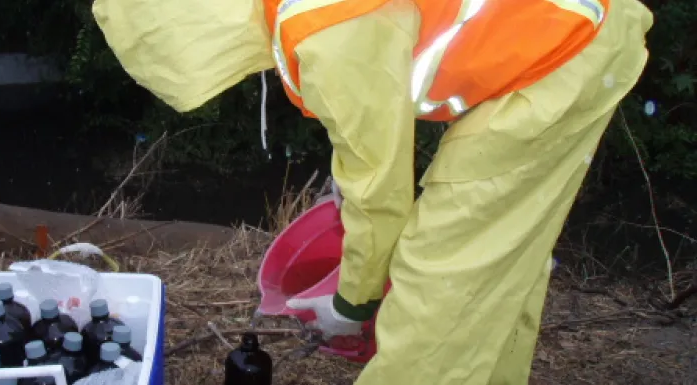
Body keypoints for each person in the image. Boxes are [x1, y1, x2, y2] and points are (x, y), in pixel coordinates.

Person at [91, 0, 653, 383]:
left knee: (440, 281)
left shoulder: (319, 22)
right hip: (569, 36)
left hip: (569, 50)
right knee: (495, 265)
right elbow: (374, 133)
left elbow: (381, 193)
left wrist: (351, 305)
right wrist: (349, 183)